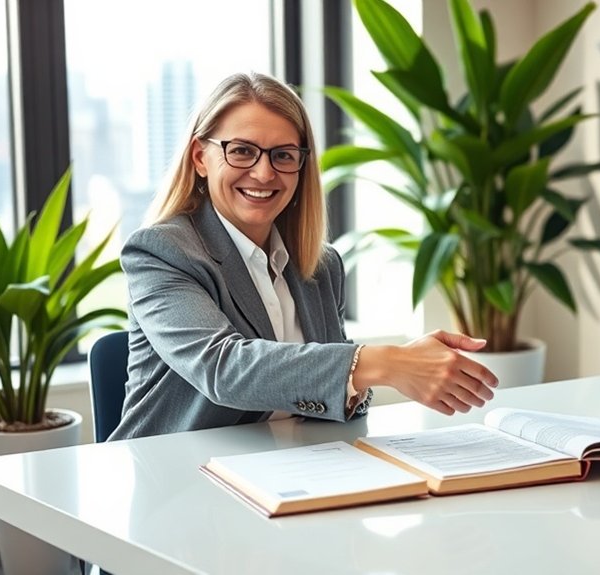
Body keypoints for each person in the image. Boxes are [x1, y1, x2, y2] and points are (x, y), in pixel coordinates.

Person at [108, 72, 498, 440]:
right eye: (242, 151)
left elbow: (332, 398)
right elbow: (223, 369)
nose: (263, 173)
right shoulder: (162, 252)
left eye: (283, 155)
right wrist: (389, 364)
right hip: (175, 481)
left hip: (288, 472)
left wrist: (383, 374)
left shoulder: (321, 265)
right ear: (199, 157)